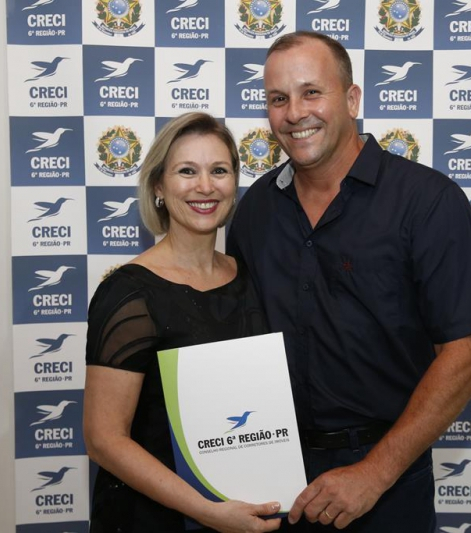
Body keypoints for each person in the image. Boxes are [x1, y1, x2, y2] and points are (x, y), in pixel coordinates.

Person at [226, 32, 471, 532]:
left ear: (352, 99)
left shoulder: (428, 201)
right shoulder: (255, 210)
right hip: (274, 476)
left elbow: (467, 353)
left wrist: (374, 473)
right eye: (278, 99)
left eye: (312, 92)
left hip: (386, 481)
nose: (295, 113)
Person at [84, 112, 282, 533]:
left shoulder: (250, 278)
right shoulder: (128, 293)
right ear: (159, 185)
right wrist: (206, 511)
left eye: (219, 171)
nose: (205, 186)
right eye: (187, 171)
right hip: (153, 520)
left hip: (241, 511)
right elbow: (103, 439)